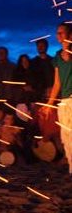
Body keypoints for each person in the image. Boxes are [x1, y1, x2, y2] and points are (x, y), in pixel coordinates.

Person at [43, 22, 72, 173]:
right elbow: (57, 83)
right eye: (57, 33)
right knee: (66, 137)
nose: (58, 35)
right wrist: (49, 104)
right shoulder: (57, 58)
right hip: (65, 101)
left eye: (62, 32)